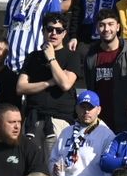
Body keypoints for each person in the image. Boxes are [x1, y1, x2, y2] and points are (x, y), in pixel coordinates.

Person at [15, 11, 80, 142]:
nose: (54, 33)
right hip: (33, 121)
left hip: (59, 121)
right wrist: (48, 83)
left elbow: (65, 84)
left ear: (64, 33)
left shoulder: (72, 56)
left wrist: (51, 58)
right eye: (50, 29)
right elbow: (20, 88)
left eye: (59, 30)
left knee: (56, 162)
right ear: (43, 31)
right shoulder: (33, 57)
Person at [50, 90, 113, 176]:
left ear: (99, 110)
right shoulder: (66, 132)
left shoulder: (107, 135)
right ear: (76, 109)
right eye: (83, 107)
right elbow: (53, 159)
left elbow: (109, 172)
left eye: (90, 107)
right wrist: (54, 169)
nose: (86, 111)